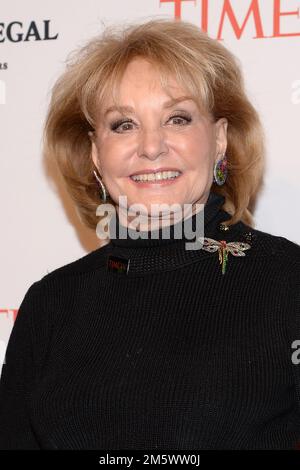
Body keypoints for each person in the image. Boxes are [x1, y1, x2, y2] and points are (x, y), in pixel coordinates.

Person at [0, 17, 299, 450]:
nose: (152, 146)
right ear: (95, 154)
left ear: (219, 140)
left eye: (177, 118)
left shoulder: (288, 284)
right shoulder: (51, 304)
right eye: (124, 124)